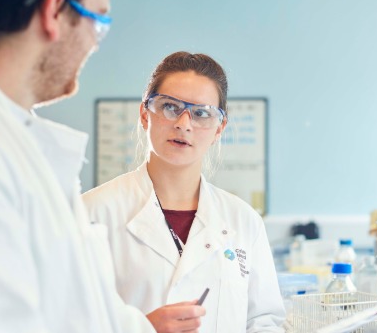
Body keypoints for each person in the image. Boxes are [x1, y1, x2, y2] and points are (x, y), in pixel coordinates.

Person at [0, 0, 204, 332]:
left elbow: (72, 305)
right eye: (98, 21)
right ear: (54, 11)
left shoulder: (6, 133)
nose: (94, 44)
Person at [82, 51, 286, 332]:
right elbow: (61, 319)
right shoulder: (91, 213)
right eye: (170, 107)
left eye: (202, 113)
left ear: (219, 129)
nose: (183, 123)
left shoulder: (243, 220)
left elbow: (264, 321)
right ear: (144, 114)